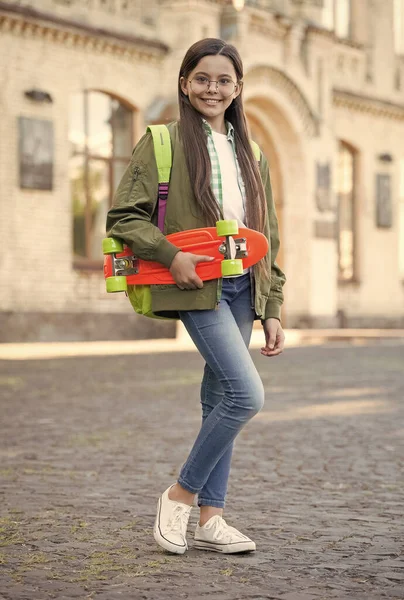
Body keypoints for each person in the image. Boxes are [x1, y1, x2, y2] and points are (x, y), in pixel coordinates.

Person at [106, 38, 286, 555]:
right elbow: (124, 216)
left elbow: (268, 232)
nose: (213, 88)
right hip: (194, 286)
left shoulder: (252, 153)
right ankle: (179, 494)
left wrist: (273, 305)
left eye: (224, 80)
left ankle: (212, 519)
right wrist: (169, 254)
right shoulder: (161, 141)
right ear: (185, 83)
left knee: (218, 400)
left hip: (244, 288)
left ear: (238, 87)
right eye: (202, 78)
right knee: (246, 396)